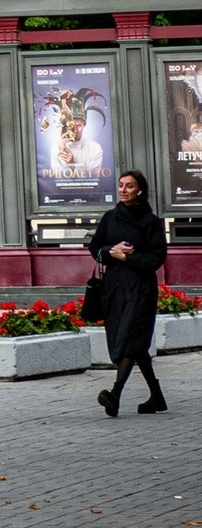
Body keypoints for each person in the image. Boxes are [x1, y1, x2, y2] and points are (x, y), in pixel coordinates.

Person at [89, 169, 169, 415]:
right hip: (114, 287)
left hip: (141, 288)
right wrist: (111, 251)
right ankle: (157, 398)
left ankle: (115, 394)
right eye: (121, 185)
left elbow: (156, 258)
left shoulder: (151, 222)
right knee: (134, 342)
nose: (123, 190)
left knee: (131, 337)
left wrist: (128, 257)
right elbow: (95, 248)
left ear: (140, 190)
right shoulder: (110, 217)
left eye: (129, 186)